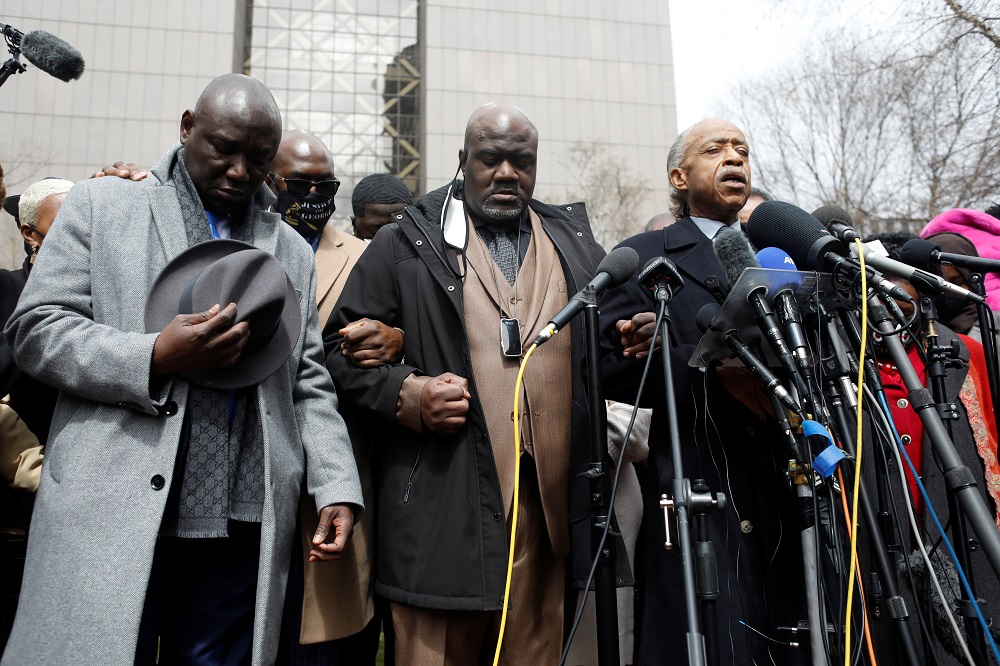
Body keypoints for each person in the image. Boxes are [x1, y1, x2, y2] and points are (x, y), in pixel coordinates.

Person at [1, 74, 362, 666]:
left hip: (242, 524)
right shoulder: (103, 205)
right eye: (223, 147)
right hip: (109, 511)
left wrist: (335, 486)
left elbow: (307, 384)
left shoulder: (290, 248)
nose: (240, 171)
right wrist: (154, 356)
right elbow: (36, 329)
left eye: (258, 157)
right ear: (187, 127)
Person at [324, 102, 628, 665]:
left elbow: (604, 353)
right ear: (463, 160)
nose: (508, 173)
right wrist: (410, 395)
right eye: (492, 159)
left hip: (549, 517)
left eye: (523, 162)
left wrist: (630, 338)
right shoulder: (407, 240)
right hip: (443, 506)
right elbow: (337, 355)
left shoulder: (576, 244)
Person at [600, 118, 806, 665]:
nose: (734, 158)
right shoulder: (644, 254)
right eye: (714, 150)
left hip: (785, 486)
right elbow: (605, 368)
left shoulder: (775, 255)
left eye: (742, 149)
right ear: (679, 176)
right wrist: (691, 364)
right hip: (694, 486)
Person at [267, 129, 401, 665]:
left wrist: (399, 339)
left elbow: (414, 330)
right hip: (252, 474)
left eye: (327, 184)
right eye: (301, 183)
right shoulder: (233, 244)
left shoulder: (367, 255)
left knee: (330, 638)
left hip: (336, 472)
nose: (315, 195)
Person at [0, 178, 74, 443]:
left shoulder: (102, 296)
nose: (77, 235)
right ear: (30, 234)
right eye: (62, 226)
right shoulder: (7, 289)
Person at [350, 173, 413, 241]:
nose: (389, 238)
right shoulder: (341, 250)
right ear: (355, 223)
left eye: (398, 228)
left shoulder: (424, 249)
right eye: (379, 228)